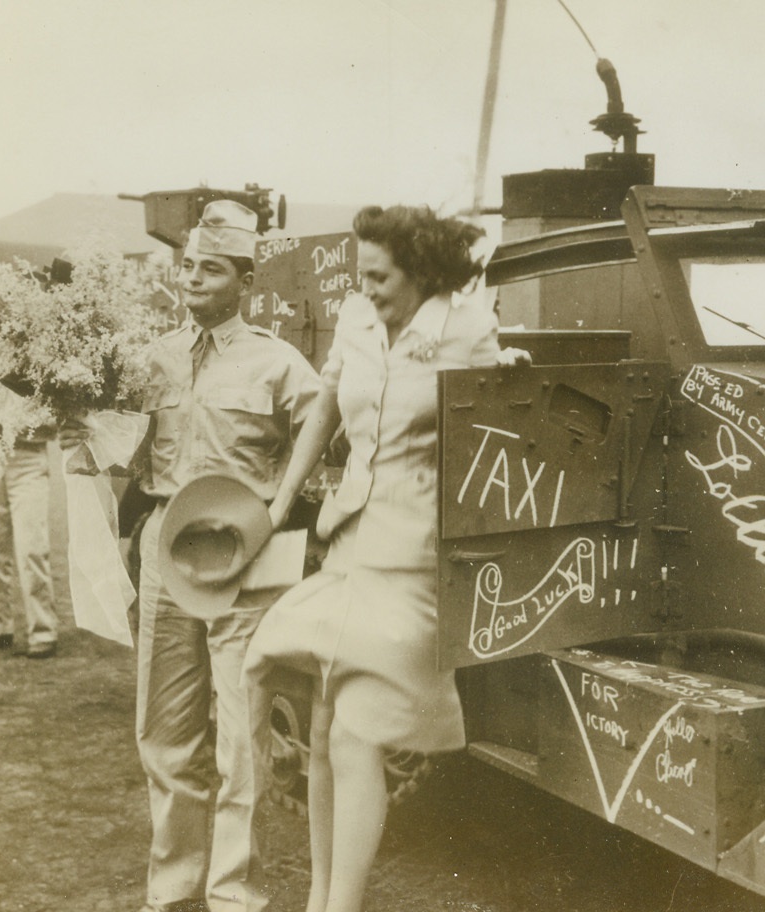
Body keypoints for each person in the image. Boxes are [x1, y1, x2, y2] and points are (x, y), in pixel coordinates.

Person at [243, 204, 528, 912]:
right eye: (362, 272)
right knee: (323, 722)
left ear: (422, 272)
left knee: (360, 729)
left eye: (379, 274)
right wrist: (281, 507)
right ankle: (322, 895)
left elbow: (497, 404)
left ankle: (338, 907)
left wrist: (510, 369)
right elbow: (328, 404)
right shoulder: (356, 319)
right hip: (350, 539)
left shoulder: (465, 326)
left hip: (416, 554)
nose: (366, 286)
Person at [64, 200, 320, 912]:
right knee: (164, 731)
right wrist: (77, 431)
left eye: (212, 269)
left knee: (243, 736)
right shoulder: (152, 360)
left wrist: (279, 505)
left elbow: (322, 415)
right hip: (167, 554)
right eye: (188, 267)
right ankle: (171, 894)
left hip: (245, 558)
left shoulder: (277, 359)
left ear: (245, 278)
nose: (194, 280)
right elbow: (126, 452)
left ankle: (235, 895)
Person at [0, 352, 59, 658]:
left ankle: (43, 630)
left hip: (29, 458)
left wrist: (18, 425)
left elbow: (56, 416)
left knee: (32, 546)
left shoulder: (40, 366)